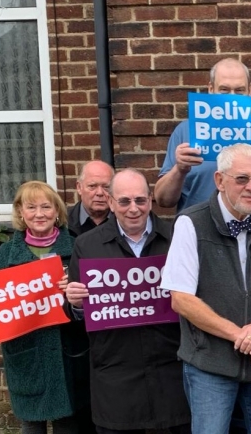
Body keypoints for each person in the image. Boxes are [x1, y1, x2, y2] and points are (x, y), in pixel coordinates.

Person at [160, 143, 251, 434]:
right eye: (242, 178)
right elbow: (181, 299)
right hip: (211, 362)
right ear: (219, 180)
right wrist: (243, 336)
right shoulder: (190, 223)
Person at [64, 169, 191, 434]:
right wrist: (76, 304)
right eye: (124, 201)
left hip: (171, 368)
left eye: (140, 200)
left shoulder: (178, 237)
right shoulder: (86, 246)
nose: (133, 209)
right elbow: (78, 314)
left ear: (150, 200)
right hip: (116, 372)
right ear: (111, 203)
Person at [0, 181, 93, 434]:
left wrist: (75, 298)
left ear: (57, 212)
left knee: (70, 425)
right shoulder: (6, 254)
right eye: (31, 207)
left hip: (69, 354)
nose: (40, 214)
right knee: (31, 425)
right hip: (27, 357)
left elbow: (92, 305)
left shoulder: (77, 247)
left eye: (46, 207)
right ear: (20, 213)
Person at [154, 58, 251, 212]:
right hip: (197, 230)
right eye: (224, 90)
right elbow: (163, 200)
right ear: (211, 89)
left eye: (239, 91)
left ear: (249, 91)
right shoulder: (186, 131)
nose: (232, 97)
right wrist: (179, 170)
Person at [67, 160, 114, 237]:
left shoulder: (124, 221)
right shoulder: (63, 223)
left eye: (106, 187)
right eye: (92, 186)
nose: (100, 193)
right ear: (79, 187)